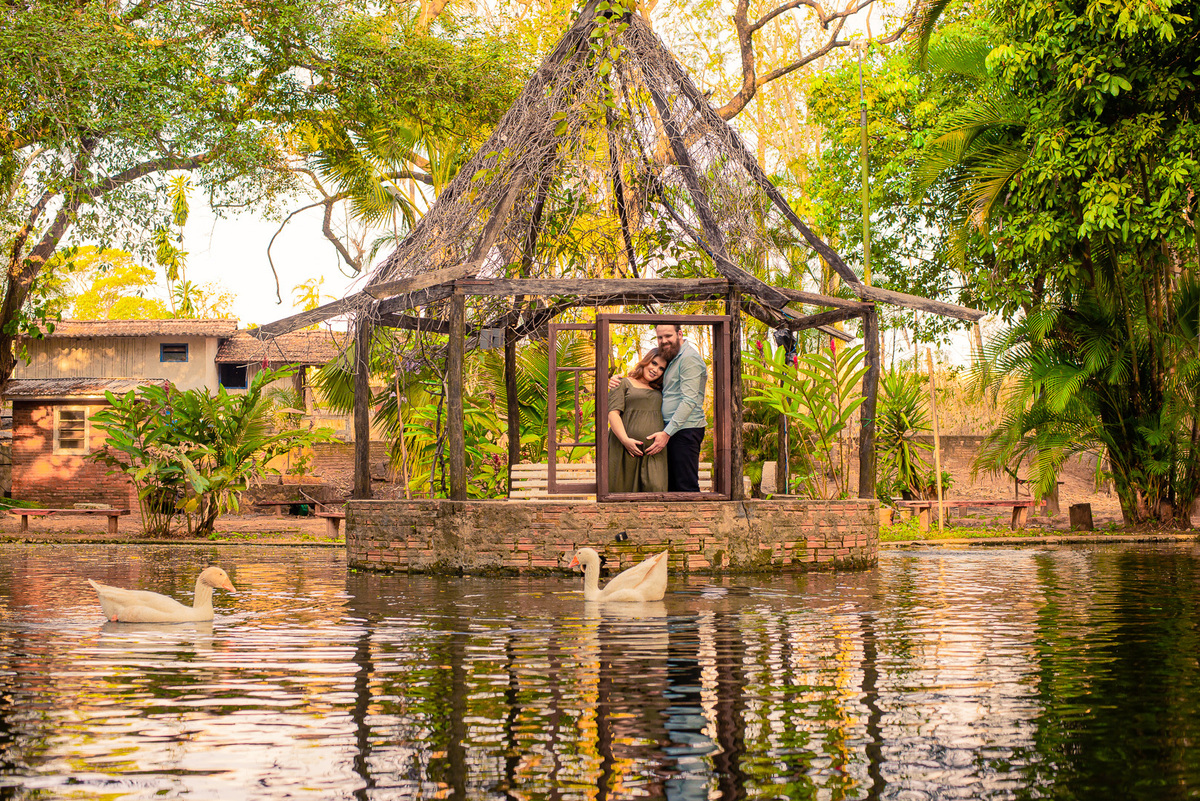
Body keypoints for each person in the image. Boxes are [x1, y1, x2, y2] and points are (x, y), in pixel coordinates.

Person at [611, 324, 708, 492]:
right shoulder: (673, 359)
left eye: (668, 336)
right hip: (666, 435)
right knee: (672, 487)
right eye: (660, 337)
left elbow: (689, 401)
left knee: (685, 487)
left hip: (684, 430)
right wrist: (614, 380)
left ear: (679, 334)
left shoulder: (688, 358)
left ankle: (692, 519)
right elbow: (621, 404)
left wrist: (666, 433)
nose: (664, 341)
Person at [607, 349, 669, 493]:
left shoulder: (661, 390)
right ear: (646, 361)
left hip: (654, 451)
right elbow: (613, 414)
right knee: (622, 492)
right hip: (624, 448)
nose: (655, 370)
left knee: (657, 489)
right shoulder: (623, 383)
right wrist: (625, 440)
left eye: (661, 369)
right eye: (654, 363)